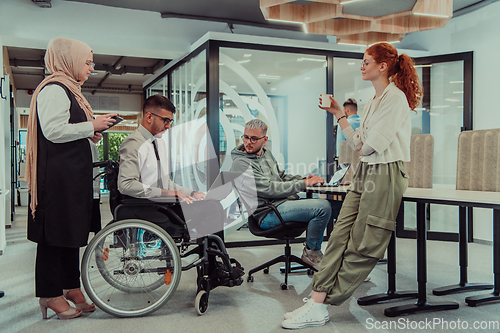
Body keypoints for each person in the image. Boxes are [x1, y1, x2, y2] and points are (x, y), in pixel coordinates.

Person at [281, 42, 422, 329]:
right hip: (366, 171)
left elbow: (369, 146)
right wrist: (339, 114)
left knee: (363, 243)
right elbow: (359, 145)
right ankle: (317, 301)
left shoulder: (395, 99)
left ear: (382, 66)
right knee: (339, 235)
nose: (362, 65)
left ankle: (324, 302)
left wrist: (361, 142)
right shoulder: (371, 103)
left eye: (366, 61)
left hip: (386, 173)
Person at [25, 37, 117, 320]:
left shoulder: (71, 90)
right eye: (87, 62)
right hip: (57, 181)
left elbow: (66, 129)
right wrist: (92, 124)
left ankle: (69, 287)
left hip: (70, 179)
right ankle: (49, 294)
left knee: (68, 234)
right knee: (54, 237)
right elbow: (53, 131)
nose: (91, 68)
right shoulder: (54, 89)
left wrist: (89, 130)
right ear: (69, 60)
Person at [118, 95, 225, 238]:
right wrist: (167, 193)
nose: (168, 126)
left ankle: (210, 255)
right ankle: (208, 255)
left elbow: (166, 183)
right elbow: (125, 185)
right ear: (149, 117)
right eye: (165, 120)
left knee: (214, 203)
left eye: (170, 121)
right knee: (211, 208)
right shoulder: (133, 144)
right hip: (146, 207)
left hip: (162, 204)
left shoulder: (159, 142)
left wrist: (192, 193)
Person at [230, 119, 332, 270]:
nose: (248, 142)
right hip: (267, 213)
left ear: (264, 140)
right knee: (322, 207)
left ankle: (330, 255)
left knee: (327, 204)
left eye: (253, 138)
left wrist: (303, 179)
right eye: (245, 137)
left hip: (280, 204)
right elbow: (270, 189)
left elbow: (281, 176)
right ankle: (312, 253)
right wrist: (303, 184)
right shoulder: (241, 163)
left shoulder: (266, 154)